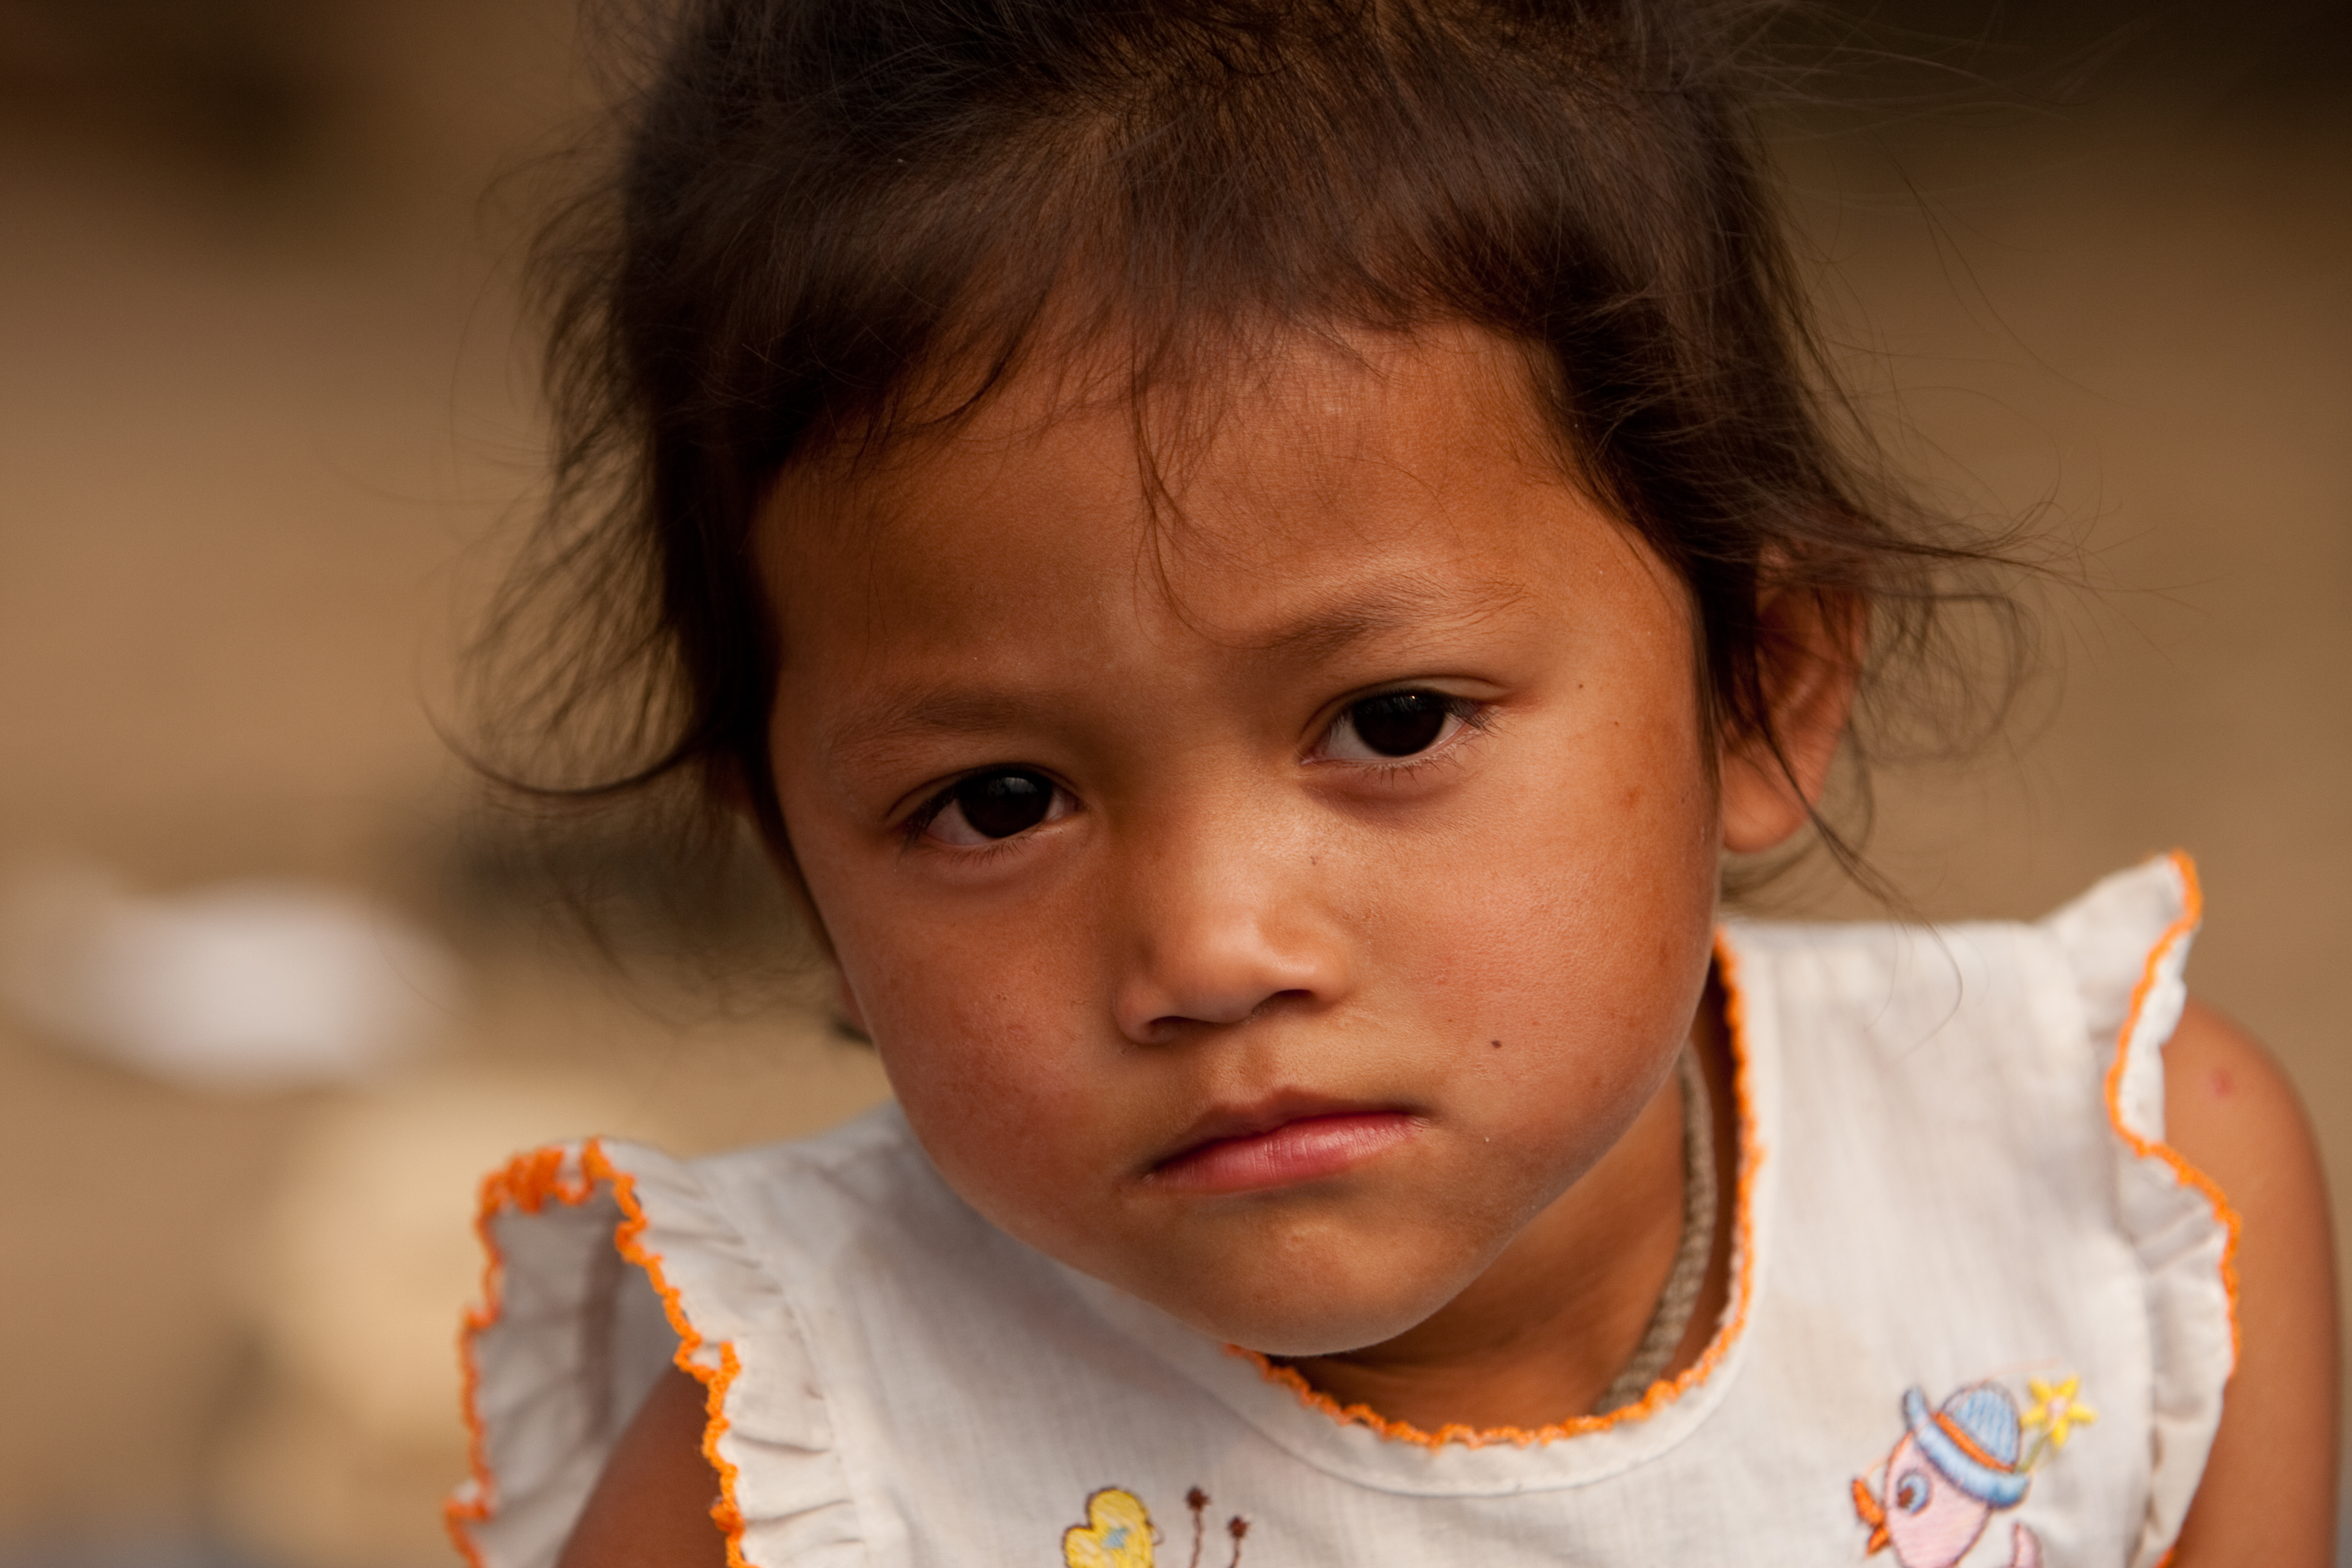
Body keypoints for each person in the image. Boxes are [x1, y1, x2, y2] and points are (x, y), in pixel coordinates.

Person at [443, 2, 2339, 1564]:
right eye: (1000, 803)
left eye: (1394, 723)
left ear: (1755, 691)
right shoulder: (804, 1460)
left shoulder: (2105, 1204)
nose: (1211, 947)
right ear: (798, 865)